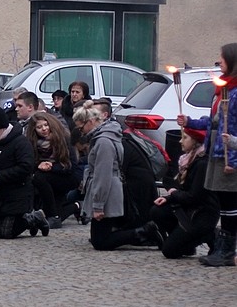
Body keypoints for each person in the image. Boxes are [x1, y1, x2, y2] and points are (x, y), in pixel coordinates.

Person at [178, 42, 237, 266]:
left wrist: (232, 143)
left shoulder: (236, 92)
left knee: (230, 204)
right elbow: (214, 122)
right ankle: (223, 247)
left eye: (222, 58)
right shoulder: (223, 89)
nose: (219, 61)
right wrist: (191, 122)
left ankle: (228, 250)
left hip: (230, 156)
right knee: (224, 203)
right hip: (217, 152)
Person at [75, 102, 163, 250]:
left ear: (90, 122)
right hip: (111, 190)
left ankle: (145, 231)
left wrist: (98, 206)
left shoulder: (103, 141)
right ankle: (143, 232)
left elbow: (103, 175)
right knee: (100, 238)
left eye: (81, 127)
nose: (81, 131)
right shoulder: (108, 135)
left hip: (109, 193)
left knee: (100, 241)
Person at [151, 128, 220, 259]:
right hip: (188, 209)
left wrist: (173, 193)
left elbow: (194, 197)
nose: (180, 141)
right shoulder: (187, 159)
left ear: (195, 142)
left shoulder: (202, 163)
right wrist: (169, 198)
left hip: (202, 214)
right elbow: (179, 187)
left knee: (169, 251)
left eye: (185, 138)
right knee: (157, 211)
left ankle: (209, 235)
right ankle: (186, 244)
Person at [0, 106, 49, 239]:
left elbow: (26, 167)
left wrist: (1, 176)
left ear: (2, 127)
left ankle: (35, 218)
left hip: (18, 190)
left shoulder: (20, 143)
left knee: (7, 232)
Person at [25, 111, 79, 229]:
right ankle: (76, 206)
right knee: (55, 210)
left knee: (40, 177)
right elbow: (30, 163)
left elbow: (71, 165)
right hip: (47, 179)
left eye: (46, 125)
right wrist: (39, 165)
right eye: (39, 127)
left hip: (66, 175)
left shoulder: (63, 138)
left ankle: (53, 216)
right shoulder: (32, 143)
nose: (44, 129)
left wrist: (51, 167)